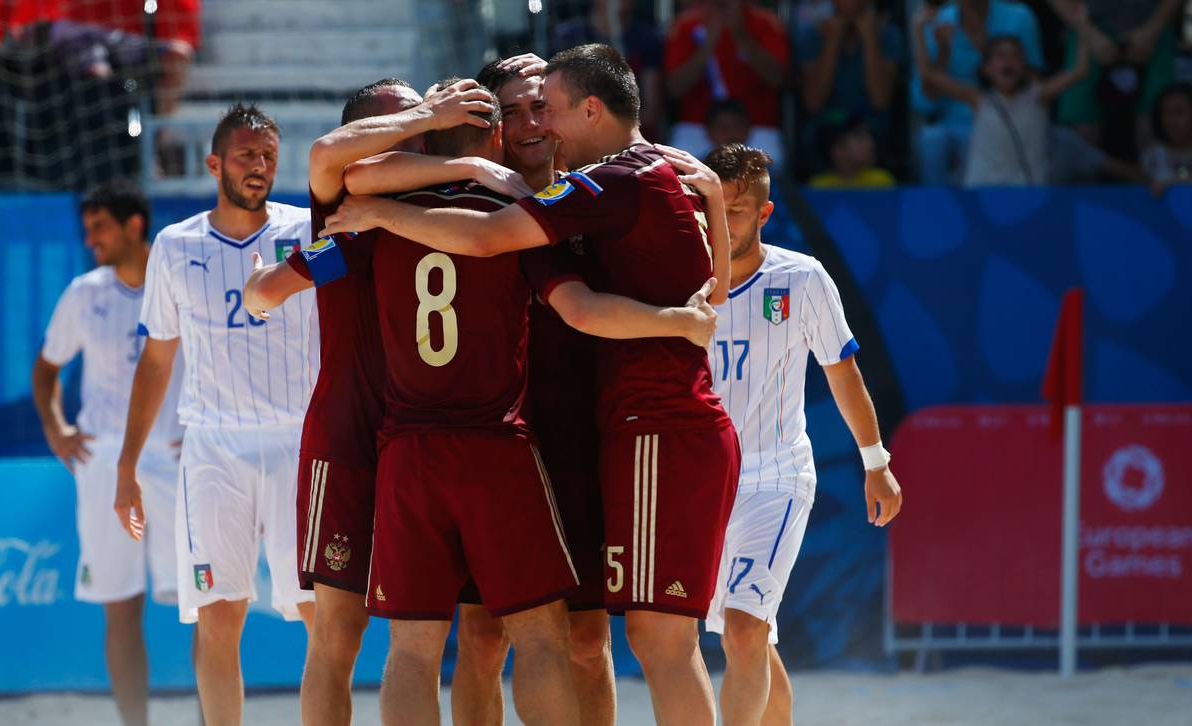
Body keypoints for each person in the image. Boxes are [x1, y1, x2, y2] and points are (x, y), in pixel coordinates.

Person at [320, 44, 741, 725]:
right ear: (491, 126)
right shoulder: (498, 192)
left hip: (580, 430)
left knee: (586, 638)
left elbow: (695, 291)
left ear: (580, 110)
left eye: (542, 107)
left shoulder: (601, 183)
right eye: (514, 111)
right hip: (509, 434)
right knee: (487, 639)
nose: (532, 124)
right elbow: (349, 183)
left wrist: (716, 200)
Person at [241, 76, 504, 726]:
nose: (412, 135)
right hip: (351, 438)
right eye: (399, 125)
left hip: (431, 440)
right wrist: (297, 271)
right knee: (337, 634)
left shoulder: (445, 205)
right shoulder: (344, 222)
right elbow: (264, 290)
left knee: (453, 635)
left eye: (419, 128)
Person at [113, 103, 316, 726]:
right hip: (214, 451)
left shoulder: (309, 230)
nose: (259, 166)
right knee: (218, 617)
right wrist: (127, 471)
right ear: (214, 163)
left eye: (268, 156)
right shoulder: (175, 247)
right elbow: (155, 363)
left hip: (299, 443)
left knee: (321, 617)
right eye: (246, 155)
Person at [700, 142, 903, 725]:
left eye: (737, 208)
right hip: (705, 482)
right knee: (754, 640)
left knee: (742, 633)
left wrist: (876, 462)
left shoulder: (801, 278)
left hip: (775, 476)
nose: (722, 218)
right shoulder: (677, 278)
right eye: (714, 204)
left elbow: (844, 374)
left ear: (763, 215)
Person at [31, 179, 184, 726]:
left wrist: (200, 427)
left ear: (134, 226)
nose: (90, 238)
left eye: (100, 227)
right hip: (103, 466)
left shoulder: (180, 282)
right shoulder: (84, 292)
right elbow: (47, 369)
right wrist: (57, 429)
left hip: (175, 460)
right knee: (121, 611)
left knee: (208, 608)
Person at [918, 24, 1089, 187]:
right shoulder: (978, 99)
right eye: (1000, 56)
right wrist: (920, 31)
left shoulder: (1039, 96)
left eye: (1015, 56)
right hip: (983, 192)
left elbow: (1079, 71)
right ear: (986, 68)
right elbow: (929, 75)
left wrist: (1080, 25)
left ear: (1024, 66)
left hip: (1028, 194)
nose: (1008, 61)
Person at [912, 0, 1045, 184]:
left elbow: (1033, 87)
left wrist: (988, 52)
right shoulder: (940, 22)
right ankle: (937, 209)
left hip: (1007, 116)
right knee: (931, 140)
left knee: (977, 139)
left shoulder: (1020, 18)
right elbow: (924, 101)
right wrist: (942, 51)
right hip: (952, 121)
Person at [1047, 0, 1182, 159]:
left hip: (1155, 29)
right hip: (1085, 29)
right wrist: (1088, 32)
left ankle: (1164, 177)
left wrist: (1153, 29)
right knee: (1081, 127)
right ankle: (1083, 182)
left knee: (1160, 120)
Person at [665, 0, 790, 166]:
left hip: (756, 124)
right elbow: (675, 88)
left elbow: (777, 79)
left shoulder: (767, 23)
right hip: (698, 125)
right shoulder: (686, 25)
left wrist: (740, 34)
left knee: (773, 164)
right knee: (674, 167)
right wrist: (708, 42)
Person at [796, 0, 904, 172]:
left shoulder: (888, 35)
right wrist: (832, 40)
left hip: (870, 123)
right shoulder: (813, 36)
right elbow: (813, 103)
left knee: (871, 136)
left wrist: (869, 39)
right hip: (828, 123)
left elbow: (880, 100)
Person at [552, 0, 666, 140]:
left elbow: (651, 108)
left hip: (633, 135)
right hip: (581, 133)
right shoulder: (568, 37)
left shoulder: (648, 38)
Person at [809, 115, 896, 188]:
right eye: (860, 139)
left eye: (869, 137)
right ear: (838, 151)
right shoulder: (820, 186)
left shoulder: (881, 182)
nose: (871, 144)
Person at [1141, 82, 1192, 192]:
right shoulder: (1151, 156)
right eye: (1167, 113)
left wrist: (1174, 181)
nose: (1172, 121)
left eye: (1179, 112)